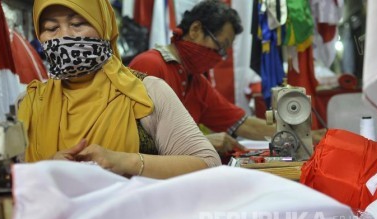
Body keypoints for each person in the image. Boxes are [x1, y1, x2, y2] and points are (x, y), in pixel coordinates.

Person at [17, 0, 221, 179]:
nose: (65, 37)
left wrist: (127, 163)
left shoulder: (145, 93)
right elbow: (9, 186)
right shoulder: (29, 103)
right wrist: (46, 170)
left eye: (77, 24)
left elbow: (208, 164)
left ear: (104, 25)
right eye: (51, 28)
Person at [129, 0, 275, 155]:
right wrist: (202, 142)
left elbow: (241, 123)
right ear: (195, 30)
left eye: (224, 52)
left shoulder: (196, 82)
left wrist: (294, 130)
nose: (220, 56)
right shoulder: (149, 65)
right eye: (220, 46)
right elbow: (133, 137)